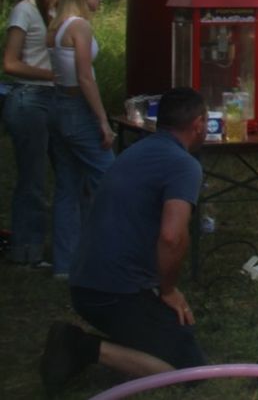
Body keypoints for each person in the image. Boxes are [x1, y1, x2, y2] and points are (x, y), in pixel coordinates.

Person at [40, 88, 210, 395]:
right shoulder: (183, 165)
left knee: (178, 332)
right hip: (114, 292)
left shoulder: (136, 150)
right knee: (190, 372)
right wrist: (168, 290)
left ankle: (128, 338)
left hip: (86, 281)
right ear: (198, 124)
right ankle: (82, 347)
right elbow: (172, 237)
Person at [46, 0, 116, 279]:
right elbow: (86, 77)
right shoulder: (79, 27)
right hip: (77, 108)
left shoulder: (56, 25)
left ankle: (65, 263)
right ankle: (109, 254)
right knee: (111, 179)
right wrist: (102, 120)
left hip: (58, 104)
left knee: (68, 186)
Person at [4, 0, 66, 269]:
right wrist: (51, 75)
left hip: (57, 99)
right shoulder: (24, 10)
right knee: (34, 179)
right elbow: (10, 63)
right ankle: (26, 250)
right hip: (29, 99)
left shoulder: (58, 10)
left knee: (68, 172)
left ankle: (65, 246)